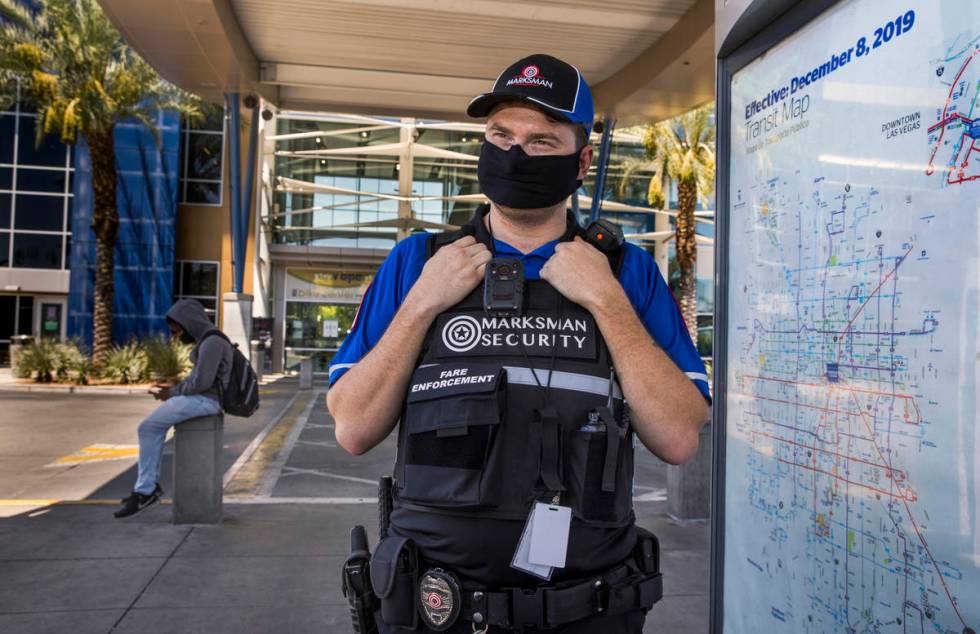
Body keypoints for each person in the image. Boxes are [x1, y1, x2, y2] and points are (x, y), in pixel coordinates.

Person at [328, 54, 710, 632]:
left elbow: (678, 437)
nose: (513, 153)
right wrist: (425, 301)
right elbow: (353, 428)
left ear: (581, 162)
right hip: (436, 607)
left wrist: (605, 300)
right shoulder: (418, 262)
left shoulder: (624, 271)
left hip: (589, 609)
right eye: (500, 135)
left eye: (540, 141)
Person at [114, 299, 232, 519]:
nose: (176, 334)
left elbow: (202, 382)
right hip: (205, 399)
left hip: (207, 401)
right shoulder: (208, 340)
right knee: (149, 428)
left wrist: (172, 393)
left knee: (148, 428)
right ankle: (145, 489)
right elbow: (200, 379)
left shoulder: (212, 342)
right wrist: (175, 388)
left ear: (189, 321)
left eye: (177, 329)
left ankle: (145, 491)